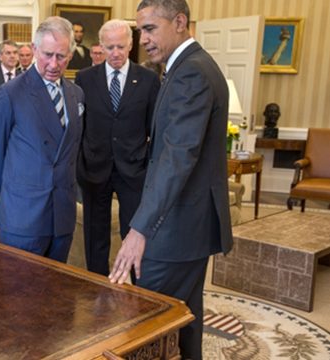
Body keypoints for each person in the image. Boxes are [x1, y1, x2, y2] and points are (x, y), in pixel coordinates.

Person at [108, 1, 232, 359]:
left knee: (146, 325)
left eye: (149, 28)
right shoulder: (186, 67)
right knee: (183, 320)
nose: (142, 38)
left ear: (180, 22)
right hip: (190, 226)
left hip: (177, 228)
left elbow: (178, 157)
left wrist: (140, 230)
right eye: (139, 30)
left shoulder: (191, 72)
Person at [0, 16, 84, 263]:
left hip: (62, 214)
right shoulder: (10, 94)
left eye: (61, 56)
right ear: (34, 48)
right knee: (19, 295)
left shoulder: (76, 94)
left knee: (56, 293)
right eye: (47, 54)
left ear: (70, 54)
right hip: (23, 214)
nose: (53, 63)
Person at [74, 19, 160, 276]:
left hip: (133, 170)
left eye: (121, 47)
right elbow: (80, 126)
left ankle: (135, 285)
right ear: (100, 46)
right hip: (94, 169)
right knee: (95, 235)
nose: (115, 53)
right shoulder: (84, 79)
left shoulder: (148, 80)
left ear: (131, 45)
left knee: (133, 233)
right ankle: (97, 285)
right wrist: (81, 164)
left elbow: (153, 129)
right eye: (109, 47)